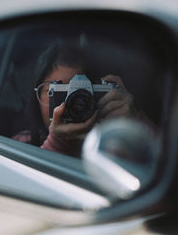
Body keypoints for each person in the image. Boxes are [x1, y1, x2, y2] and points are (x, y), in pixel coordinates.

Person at [12, 42, 142, 157]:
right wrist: (57, 143)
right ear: (37, 96)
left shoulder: (114, 145)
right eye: (55, 91)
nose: (71, 103)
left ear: (97, 94)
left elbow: (156, 156)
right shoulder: (21, 143)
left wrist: (133, 123)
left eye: (78, 93)